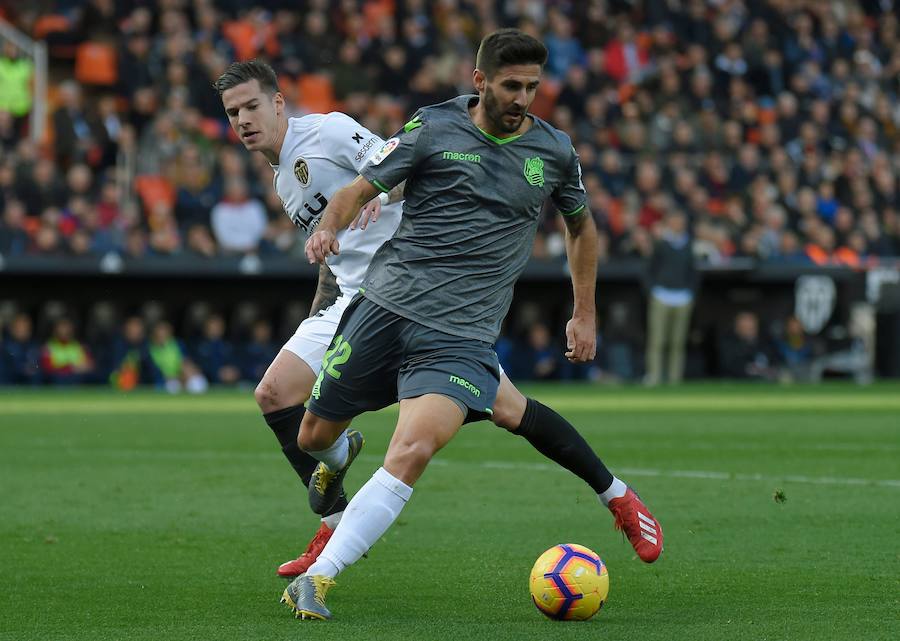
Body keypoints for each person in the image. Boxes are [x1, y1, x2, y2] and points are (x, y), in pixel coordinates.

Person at [214, 57, 661, 588]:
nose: (243, 119)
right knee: (276, 396)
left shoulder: (327, 132)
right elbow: (334, 256)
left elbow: (393, 166)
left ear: (279, 102)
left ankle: (620, 497)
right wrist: (321, 319)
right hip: (357, 304)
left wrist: (377, 190)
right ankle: (334, 520)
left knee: (511, 410)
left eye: (252, 106)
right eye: (232, 112)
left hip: (428, 295)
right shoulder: (282, 174)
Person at [644, 209, 697, 385]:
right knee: (657, 340)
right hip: (662, 296)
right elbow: (648, 270)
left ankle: (675, 379)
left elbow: (693, 272)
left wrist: (690, 293)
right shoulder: (660, 244)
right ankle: (654, 376)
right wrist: (653, 290)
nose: (678, 225)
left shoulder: (688, 245)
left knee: (678, 342)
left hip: (682, 298)